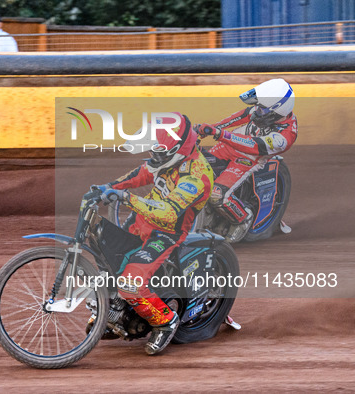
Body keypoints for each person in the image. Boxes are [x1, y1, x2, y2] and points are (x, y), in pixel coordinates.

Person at [93, 113, 214, 355]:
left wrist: (126, 197)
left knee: (129, 284)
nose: (153, 157)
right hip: (140, 222)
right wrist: (108, 187)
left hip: (166, 233)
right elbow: (141, 174)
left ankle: (165, 322)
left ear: (179, 150)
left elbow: (169, 213)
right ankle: (117, 311)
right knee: (106, 255)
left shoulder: (197, 176)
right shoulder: (167, 158)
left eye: (158, 153)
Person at [194, 78, 297, 242]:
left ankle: (242, 219)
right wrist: (213, 127)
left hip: (248, 159)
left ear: (276, 111)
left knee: (217, 195)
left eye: (261, 109)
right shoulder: (265, 111)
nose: (257, 111)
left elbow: (251, 146)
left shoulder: (283, 137)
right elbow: (242, 116)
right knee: (198, 163)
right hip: (230, 145)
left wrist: (220, 134)